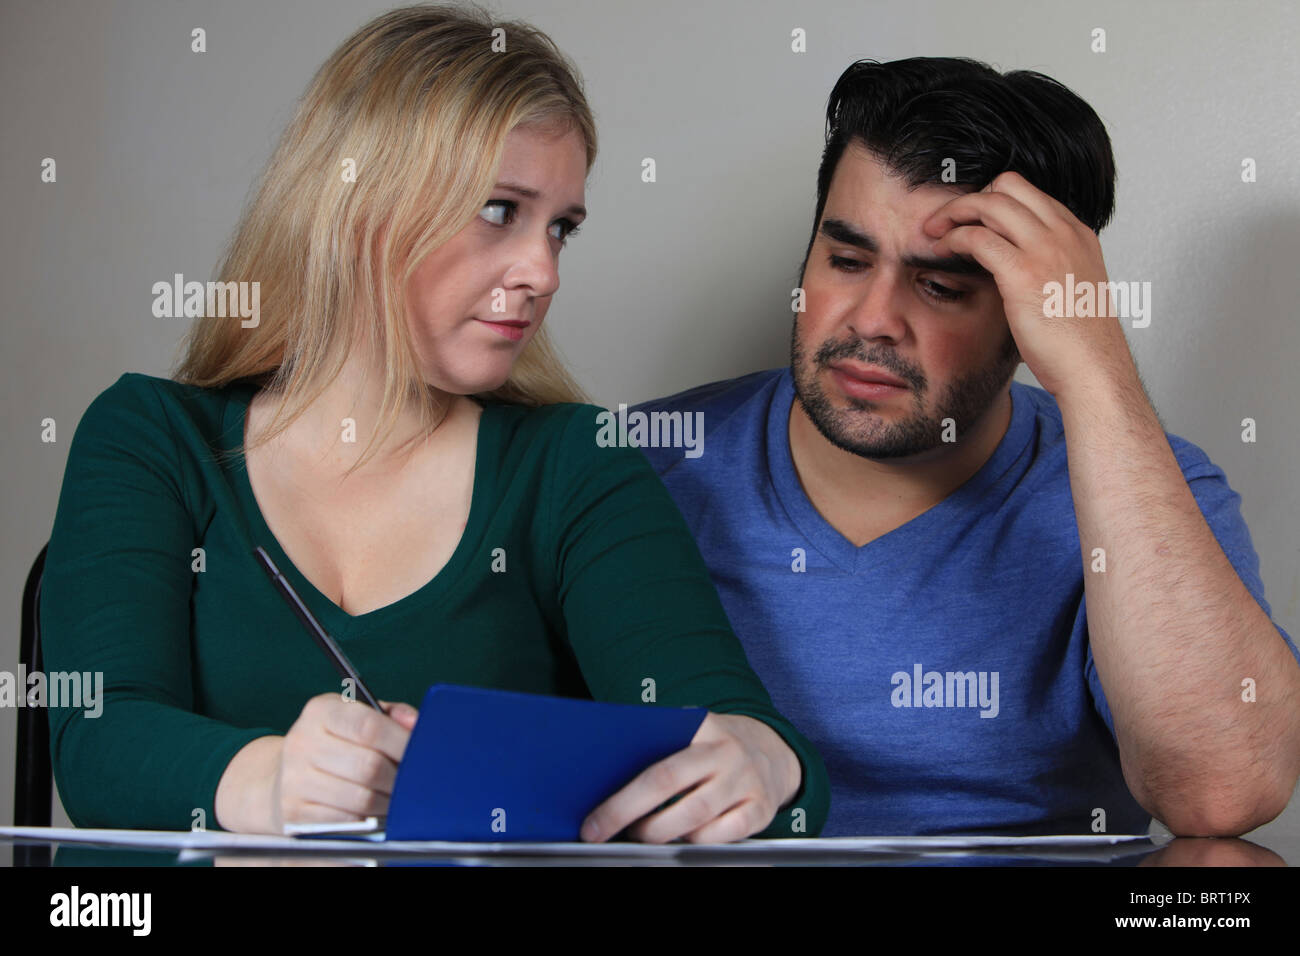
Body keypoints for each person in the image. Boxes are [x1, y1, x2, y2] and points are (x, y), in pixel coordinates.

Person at [39, 3, 828, 843]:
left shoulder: (573, 463)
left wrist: (767, 759)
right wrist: (267, 784)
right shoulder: (153, 439)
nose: (543, 270)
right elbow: (98, 744)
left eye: (561, 228)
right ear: (355, 207)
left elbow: (744, 745)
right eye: (500, 210)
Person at [631, 57, 1300, 838]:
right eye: (846, 261)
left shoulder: (1151, 490)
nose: (872, 319)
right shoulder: (641, 467)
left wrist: (1094, 369)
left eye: (942, 287)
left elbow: (1224, 794)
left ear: (1029, 312)